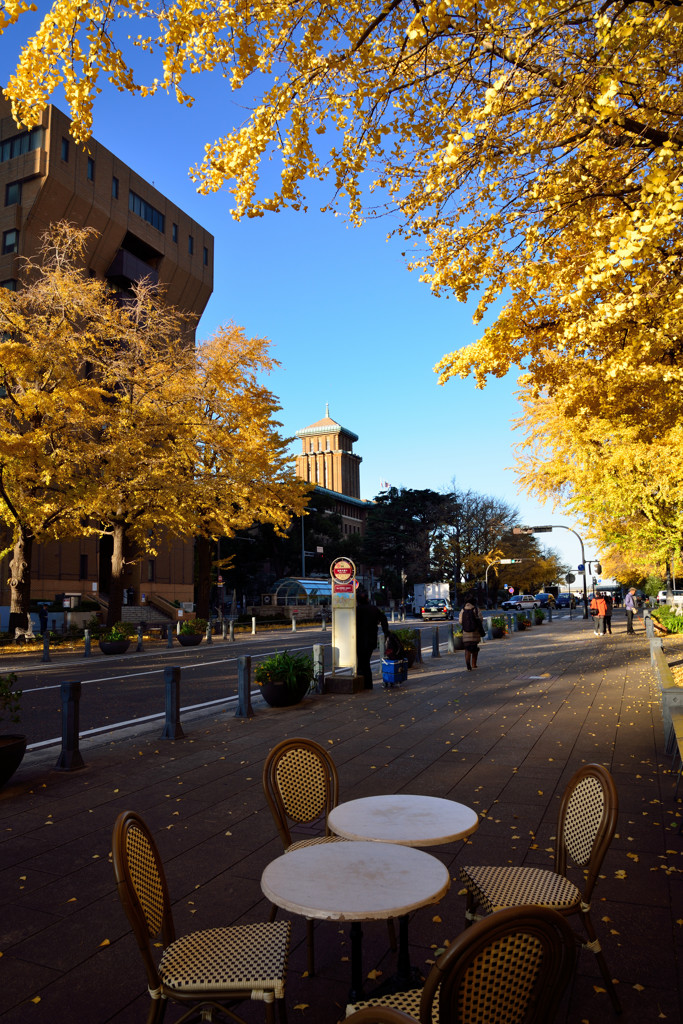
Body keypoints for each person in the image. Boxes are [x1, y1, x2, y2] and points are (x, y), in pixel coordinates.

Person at [356, 590, 389, 689]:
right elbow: (383, 619)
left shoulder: (356, 610)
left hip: (358, 639)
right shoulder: (373, 609)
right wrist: (386, 631)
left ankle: (365, 684)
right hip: (371, 639)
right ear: (367, 599)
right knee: (365, 662)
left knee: (362, 662)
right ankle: (367, 684)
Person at [459, 593, 484, 670]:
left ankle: (467, 663)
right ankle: (474, 664)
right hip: (475, 633)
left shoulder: (463, 610)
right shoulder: (476, 609)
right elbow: (481, 619)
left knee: (467, 648)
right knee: (475, 648)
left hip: (466, 633)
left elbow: (460, 621)